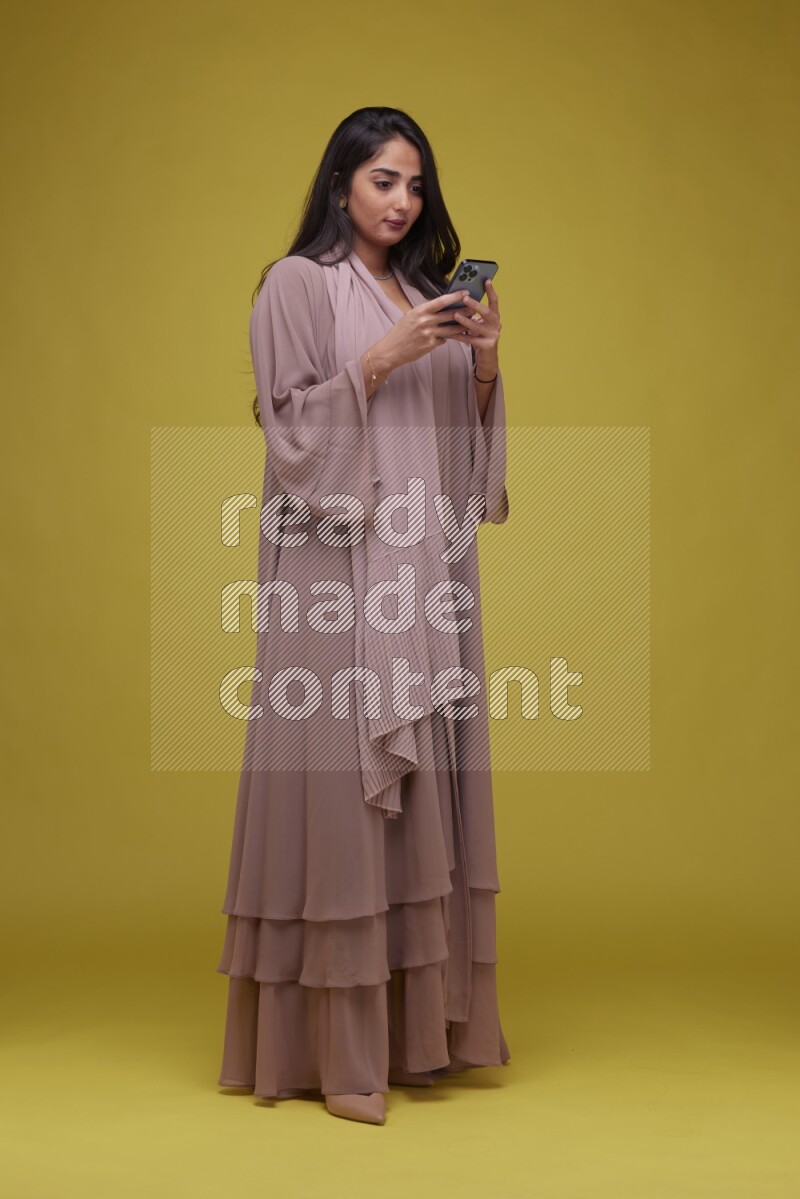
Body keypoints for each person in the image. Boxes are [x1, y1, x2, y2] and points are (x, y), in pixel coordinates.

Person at [216, 106, 511, 1126]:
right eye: (384, 179)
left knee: (423, 785)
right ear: (340, 181)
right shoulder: (293, 286)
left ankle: (416, 1035)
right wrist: (378, 358)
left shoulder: (428, 295)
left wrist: (477, 361)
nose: (402, 202)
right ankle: (335, 1056)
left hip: (420, 573)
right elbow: (291, 436)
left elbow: (464, 467)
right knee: (339, 793)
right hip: (332, 570)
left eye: (416, 185)